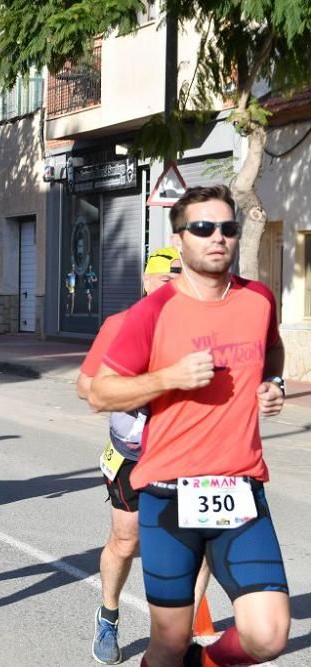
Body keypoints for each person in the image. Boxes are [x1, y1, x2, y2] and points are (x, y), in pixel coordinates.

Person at [89, 185, 289, 667]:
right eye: (202, 228)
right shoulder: (149, 312)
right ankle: (121, 622)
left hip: (238, 489)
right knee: (169, 643)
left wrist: (273, 381)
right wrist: (168, 378)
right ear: (180, 239)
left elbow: (273, 348)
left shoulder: (259, 299)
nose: (217, 237)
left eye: (227, 228)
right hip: (166, 492)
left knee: (268, 635)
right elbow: (98, 391)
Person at [77, 246, 211, 664]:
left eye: (179, 276)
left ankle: (181, 630)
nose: (171, 283)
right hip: (132, 452)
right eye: (163, 276)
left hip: (191, 451)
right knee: (126, 538)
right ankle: (109, 615)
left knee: (200, 541)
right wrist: (142, 387)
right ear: (147, 282)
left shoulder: (201, 326)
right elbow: (86, 387)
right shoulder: (121, 324)